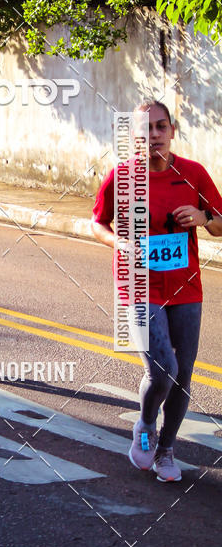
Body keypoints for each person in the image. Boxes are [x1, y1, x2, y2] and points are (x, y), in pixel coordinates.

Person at [92, 101, 222, 481]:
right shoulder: (122, 176)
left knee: (184, 375)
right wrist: (119, 243)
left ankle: (166, 449)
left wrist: (203, 217)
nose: (153, 135)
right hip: (138, 285)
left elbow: (220, 222)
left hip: (186, 287)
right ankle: (146, 426)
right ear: (134, 137)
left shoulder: (194, 173)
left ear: (172, 131)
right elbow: (97, 223)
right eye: (145, 129)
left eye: (160, 127)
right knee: (164, 369)